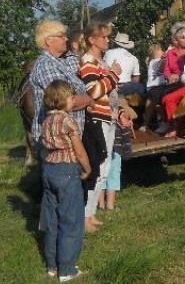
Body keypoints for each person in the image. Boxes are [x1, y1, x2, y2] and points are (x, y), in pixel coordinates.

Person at [40, 80, 92, 282]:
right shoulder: (68, 121)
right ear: (61, 100)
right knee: (71, 221)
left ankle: (52, 266)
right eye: (71, 97)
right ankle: (67, 269)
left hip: (49, 170)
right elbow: (79, 151)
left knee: (52, 221)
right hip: (67, 171)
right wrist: (87, 168)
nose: (74, 101)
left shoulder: (46, 121)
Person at [78, 22, 122, 233]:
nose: (107, 40)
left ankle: (91, 213)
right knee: (98, 166)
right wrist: (113, 74)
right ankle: (85, 215)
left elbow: (110, 94)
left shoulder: (101, 62)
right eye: (103, 37)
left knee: (105, 168)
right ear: (91, 39)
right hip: (98, 118)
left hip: (109, 117)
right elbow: (94, 92)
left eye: (107, 37)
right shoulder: (87, 62)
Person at [30, 21, 94, 154]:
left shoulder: (59, 63)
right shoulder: (47, 65)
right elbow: (64, 101)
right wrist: (89, 99)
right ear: (49, 40)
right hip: (57, 143)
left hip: (66, 139)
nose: (66, 39)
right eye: (61, 36)